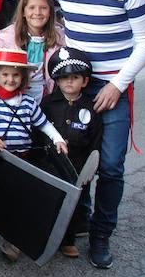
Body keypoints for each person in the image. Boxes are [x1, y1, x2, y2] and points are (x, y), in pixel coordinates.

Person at [52, 0, 145, 269]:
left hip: (113, 88)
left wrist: (117, 84)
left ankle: (100, 234)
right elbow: (51, 24)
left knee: (110, 166)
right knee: (75, 159)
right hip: (74, 87)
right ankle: (78, 220)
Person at [0, 47, 67, 261]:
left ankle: (12, 239)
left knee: (16, 200)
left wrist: (57, 138)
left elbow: (44, 124)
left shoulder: (28, 103)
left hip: (21, 160)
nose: (10, 79)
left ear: (23, 77)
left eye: (15, 75)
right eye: (5, 74)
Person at [41, 46, 103, 259]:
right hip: (51, 164)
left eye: (75, 77)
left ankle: (68, 240)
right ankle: (46, 235)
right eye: (64, 77)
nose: (69, 82)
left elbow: (95, 141)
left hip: (78, 166)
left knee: (75, 205)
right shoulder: (48, 104)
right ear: (57, 81)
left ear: (85, 81)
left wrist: (91, 169)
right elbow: (38, 131)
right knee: (48, 200)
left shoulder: (91, 108)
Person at [0, 0, 65, 101]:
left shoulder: (60, 38)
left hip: (46, 98)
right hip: (14, 98)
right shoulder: (8, 38)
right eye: (31, 7)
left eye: (43, 8)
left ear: (51, 12)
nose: (37, 13)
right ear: (23, 11)